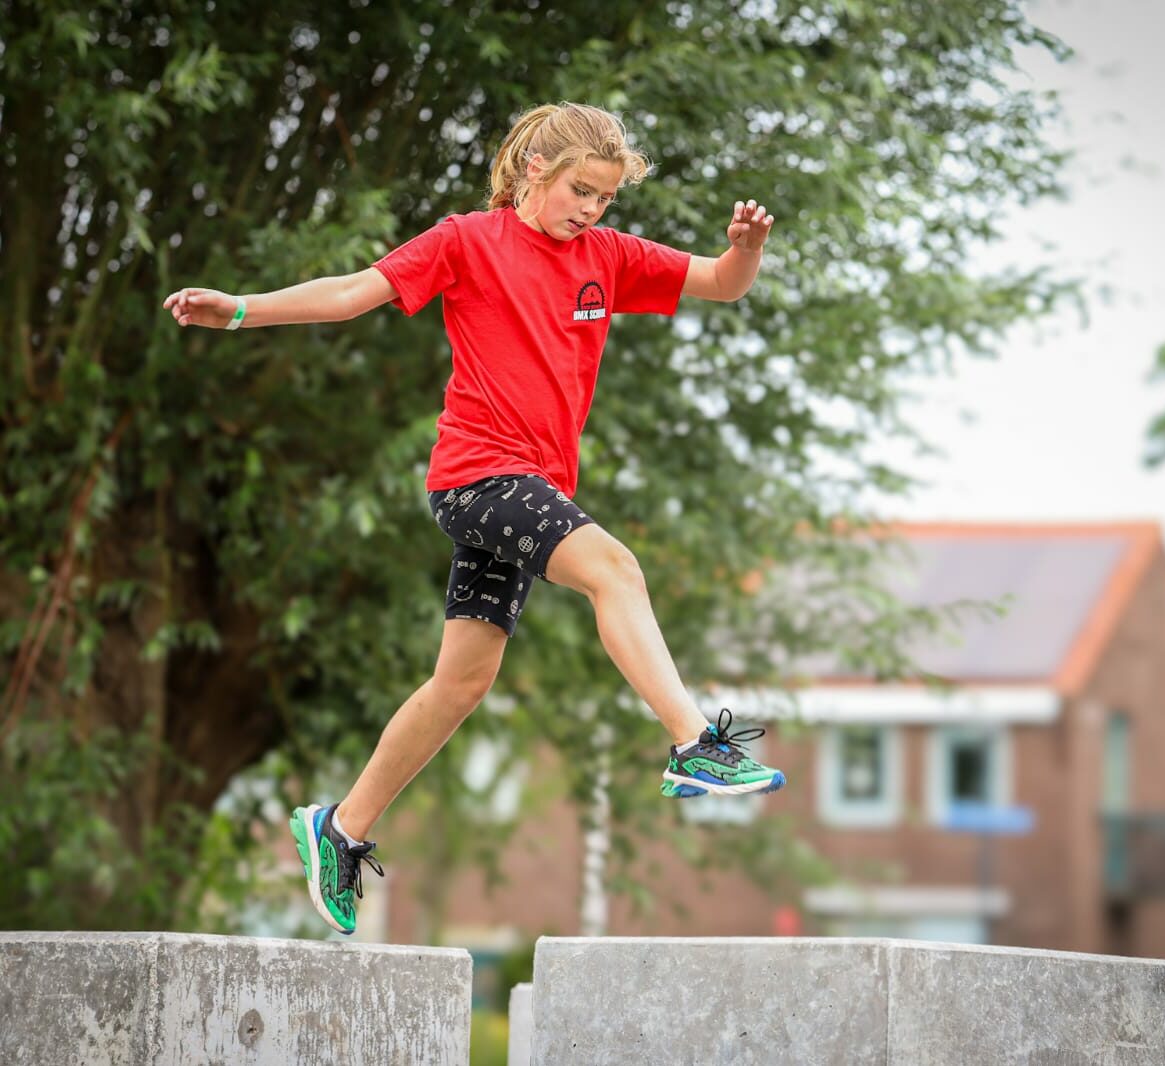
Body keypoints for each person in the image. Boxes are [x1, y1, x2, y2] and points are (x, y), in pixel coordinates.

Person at [163, 101, 786, 936]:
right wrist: (240, 308)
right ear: (534, 168)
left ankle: (340, 829)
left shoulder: (606, 257)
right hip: (478, 478)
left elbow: (717, 282)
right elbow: (352, 294)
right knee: (614, 568)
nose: (590, 210)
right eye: (580, 190)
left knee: (464, 680)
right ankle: (691, 745)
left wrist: (744, 251)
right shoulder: (466, 241)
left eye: (604, 198)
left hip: (530, 487)